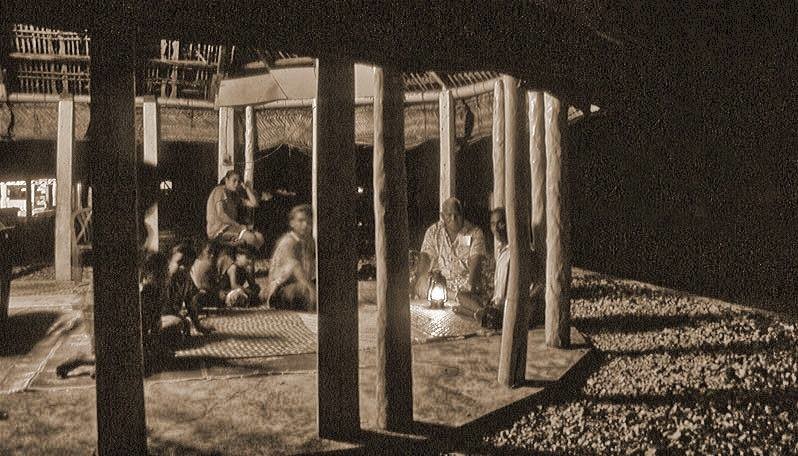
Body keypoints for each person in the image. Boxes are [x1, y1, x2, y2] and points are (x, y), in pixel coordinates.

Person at [412, 197, 486, 303]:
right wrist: (420, 278)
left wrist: (470, 286)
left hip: (463, 285)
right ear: (442, 216)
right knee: (423, 284)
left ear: (463, 214)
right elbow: (426, 257)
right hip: (439, 284)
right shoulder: (433, 232)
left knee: (470, 292)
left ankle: (460, 297)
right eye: (449, 215)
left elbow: (476, 261)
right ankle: (456, 297)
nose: (454, 219)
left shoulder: (475, 232)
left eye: (457, 215)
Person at [263, 204, 316, 311]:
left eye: (309, 222)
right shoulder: (289, 241)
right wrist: (311, 288)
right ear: (292, 223)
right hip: (281, 288)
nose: (305, 225)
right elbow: (295, 266)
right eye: (300, 221)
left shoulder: (308, 241)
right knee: (303, 291)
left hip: (300, 283)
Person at [206, 170, 264, 250]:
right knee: (251, 238)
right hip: (218, 231)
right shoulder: (219, 190)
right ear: (226, 180)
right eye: (234, 181)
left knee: (260, 237)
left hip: (230, 228)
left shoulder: (233, 196)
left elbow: (254, 204)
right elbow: (221, 215)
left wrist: (247, 188)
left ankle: (251, 260)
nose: (236, 184)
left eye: (238, 181)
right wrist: (238, 226)